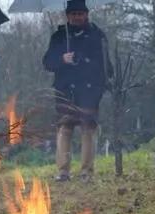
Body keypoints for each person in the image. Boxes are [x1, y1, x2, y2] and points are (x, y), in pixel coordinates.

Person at [42, 0, 111, 182]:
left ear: (86, 14)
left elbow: (106, 66)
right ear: (67, 16)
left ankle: (86, 171)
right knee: (65, 128)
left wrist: (86, 63)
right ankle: (63, 171)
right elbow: (47, 62)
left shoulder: (97, 35)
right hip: (64, 90)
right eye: (73, 14)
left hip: (90, 90)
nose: (77, 17)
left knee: (88, 129)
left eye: (80, 14)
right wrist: (62, 59)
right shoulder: (59, 36)